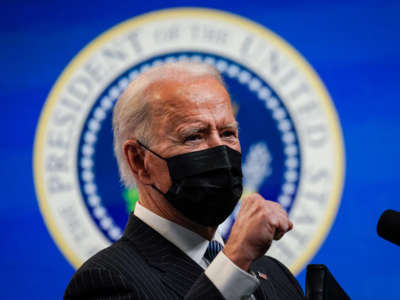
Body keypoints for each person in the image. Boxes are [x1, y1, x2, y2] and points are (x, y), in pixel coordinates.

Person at [64, 61, 305, 300]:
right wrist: (233, 263)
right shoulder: (105, 281)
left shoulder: (275, 275)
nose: (220, 152)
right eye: (193, 136)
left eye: (228, 134)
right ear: (139, 160)